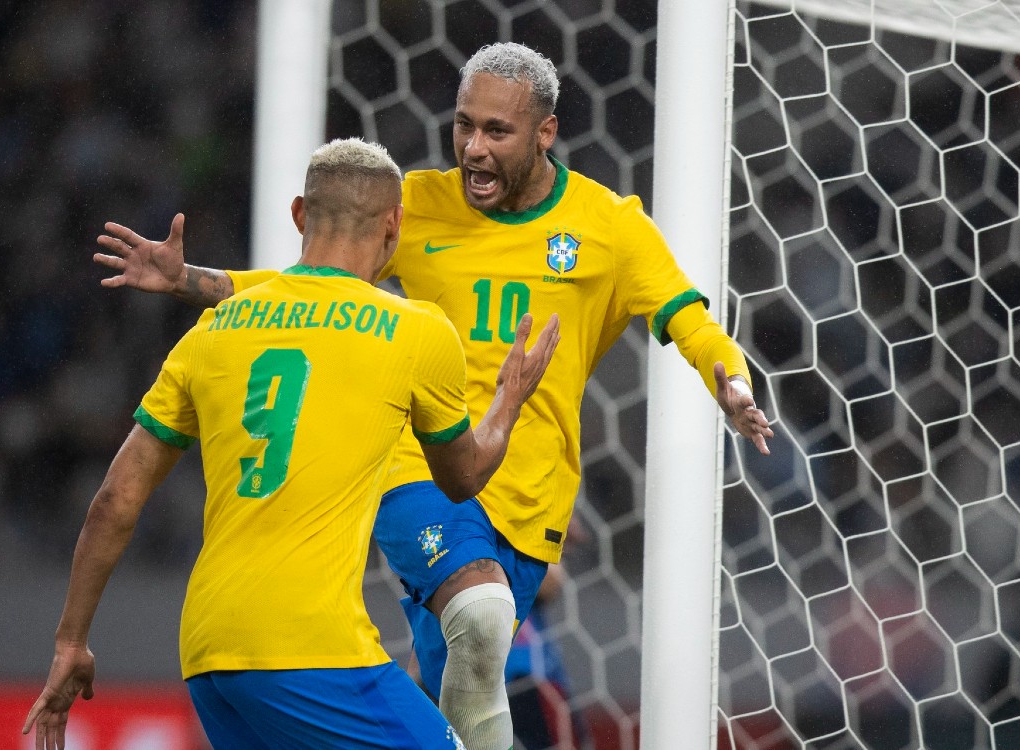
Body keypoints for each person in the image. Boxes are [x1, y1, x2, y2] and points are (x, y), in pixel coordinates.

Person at [93, 43, 773, 750]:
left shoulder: (610, 229)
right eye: (463, 126)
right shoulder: (414, 205)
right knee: (479, 611)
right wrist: (187, 281)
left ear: (545, 132)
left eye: (496, 132)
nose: (473, 149)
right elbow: (312, 284)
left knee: (457, 706)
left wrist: (728, 380)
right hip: (423, 474)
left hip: (528, 502)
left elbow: (690, 319)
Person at [22, 137, 561, 750]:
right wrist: (508, 403)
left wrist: (72, 641)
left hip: (209, 653)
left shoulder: (212, 332)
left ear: (300, 215)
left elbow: (114, 500)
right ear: (395, 224)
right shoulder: (416, 330)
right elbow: (463, 479)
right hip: (314, 649)